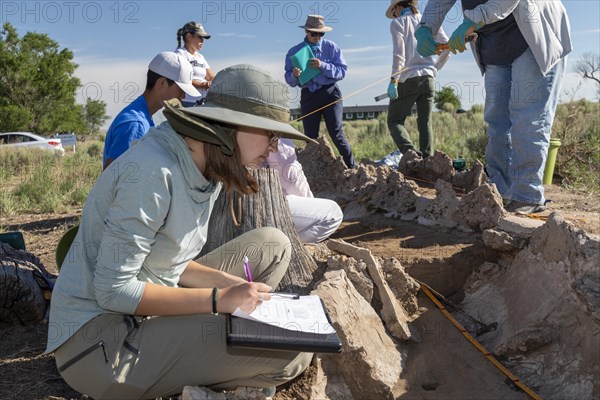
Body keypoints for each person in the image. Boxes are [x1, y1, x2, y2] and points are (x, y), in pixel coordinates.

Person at [46, 64, 314, 400]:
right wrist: (220, 300)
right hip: (100, 345)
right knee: (293, 355)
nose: (275, 146)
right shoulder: (153, 172)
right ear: (229, 126)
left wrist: (233, 286)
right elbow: (113, 292)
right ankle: (204, 367)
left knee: (273, 244)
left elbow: (169, 260)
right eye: (269, 133)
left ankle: (209, 351)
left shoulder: (205, 163)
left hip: (147, 307)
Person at [415, 0, 571, 214]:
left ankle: (527, 195)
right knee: (497, 123)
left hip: (532, 38)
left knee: (527, 120)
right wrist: (425, 27)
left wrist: (473, 19)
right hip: (494, 46)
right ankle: (499, 193)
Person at [102, 51, 200, 169]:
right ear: (162, 83)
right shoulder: (135, 124)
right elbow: (112, 179)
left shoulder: (144, 117)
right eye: (181, 89)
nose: (183, 96)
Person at [284, 14, 357, 169]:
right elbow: (289, 79)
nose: (317, 37)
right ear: (307, 32)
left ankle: (352, 167)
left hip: (330, 93)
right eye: (314, 33)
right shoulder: (294, 52)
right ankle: (313, 171)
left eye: (321, 33)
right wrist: (294, 75)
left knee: (336, 132)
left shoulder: (332, 47)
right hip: (308, 95)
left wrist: (322, 65)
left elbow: (342, 71)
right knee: (310, 137)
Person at [385, 0, 450, 159]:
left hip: (408, 78)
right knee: (425, 122)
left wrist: (394, 80)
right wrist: (435, 67)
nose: (394, 14)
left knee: (394, 120)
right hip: (429, 78)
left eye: (394, 11)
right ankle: (428, 161)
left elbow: (399, 55)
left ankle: (411, 154)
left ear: (398, 7)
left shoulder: (397, 23)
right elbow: (446, 45)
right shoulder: (428, 20)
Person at [266, 138, 343, 243]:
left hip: (246, 206)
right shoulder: (272, 137)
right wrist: (309, 203)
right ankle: (286, 246)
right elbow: (289, 178)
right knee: (333, 213)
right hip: (260, 207)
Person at [176, 21, 215, 107]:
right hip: (187, 103)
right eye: (200, 37)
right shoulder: (180, 54)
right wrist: (203, 85)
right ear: (189, 36)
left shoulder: (201, 57)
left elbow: (211, 77)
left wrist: (214, 82)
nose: (203, 40)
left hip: (203, 103)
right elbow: (184, 79)